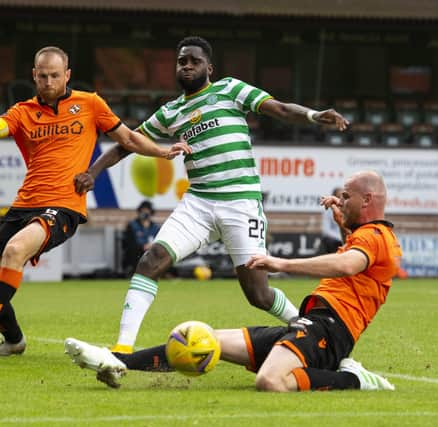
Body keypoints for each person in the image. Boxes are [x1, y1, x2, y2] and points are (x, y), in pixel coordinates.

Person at [74, 36, 350, 354]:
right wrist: (92, 172)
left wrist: (314, 116)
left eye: (194, 60)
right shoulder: (171, 112)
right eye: (182, 61)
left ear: (210, 67)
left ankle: (312, 332)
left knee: (258, 295)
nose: (187, 65)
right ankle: (122, 350)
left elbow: (281, 109)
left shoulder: (229, 89)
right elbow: (129, 143)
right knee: (151, 261)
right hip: (199, 204)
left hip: (241, 204)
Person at [0, 46, 190, 358]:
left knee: (15, 250)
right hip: (23, 205)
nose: (48, 82)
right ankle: (14, 340)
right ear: (34, 75)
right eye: (42, 76)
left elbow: (128, 138)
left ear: (67, 75)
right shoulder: (22, 111)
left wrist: (163, 151)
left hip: (62, 205)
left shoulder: (89, 103)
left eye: (55, 76)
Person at [65, 170, 401, 392]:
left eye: (346, 197)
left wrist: (278, 262)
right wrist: (344, 223)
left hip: (330, 330)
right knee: (199, 339)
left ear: (367, 200)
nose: (340, 201)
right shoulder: (365, 236)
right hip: (310, 324)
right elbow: (353, 261)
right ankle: (117, 361)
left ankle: (353, 379)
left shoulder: (377, 235)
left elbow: (344, 265)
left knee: (271, 381)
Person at [121, 200, 160, 276]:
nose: (145, 213)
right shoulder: (132, 225)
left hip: (151, 253)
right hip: (137, 252)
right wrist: (142, 246)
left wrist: (151, 246)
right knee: (134, 252)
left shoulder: (155, 227)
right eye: (143, 211)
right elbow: (128, 243)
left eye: (147, 211)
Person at [320, 187, 345, 254]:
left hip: (347, 236)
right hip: (335, 240)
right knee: (329, 241)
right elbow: (326, 230)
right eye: (338, 196)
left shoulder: (347, 208)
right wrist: (339, 238)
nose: (339, 199)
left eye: (342, 197)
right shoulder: (328, 210)